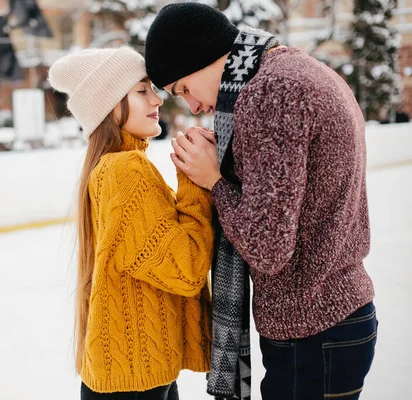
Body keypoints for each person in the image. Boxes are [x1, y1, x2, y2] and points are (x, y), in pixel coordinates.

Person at [145, 4, 377, 400]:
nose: (193, 106)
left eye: (183, 88)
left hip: (312, 329)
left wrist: (214, 180)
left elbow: (268, 248)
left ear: (201, 56)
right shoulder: (290, 70)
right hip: (334, 318)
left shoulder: (270, 93)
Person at [48, 46, 214, 400]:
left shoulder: (112, 166)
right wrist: (195, 183)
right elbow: (186, 269)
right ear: (108, 105)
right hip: (135, 380)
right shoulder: (125, 170)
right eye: (142, 91)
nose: (157, 100)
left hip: (136, 371)